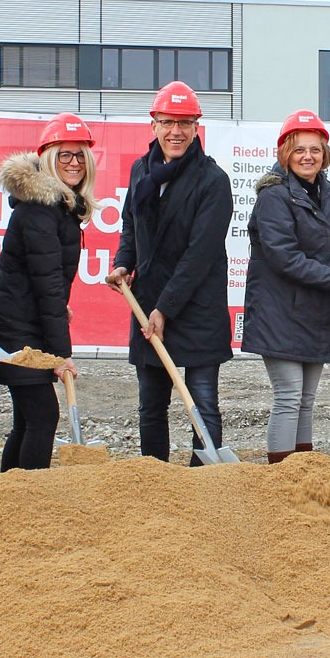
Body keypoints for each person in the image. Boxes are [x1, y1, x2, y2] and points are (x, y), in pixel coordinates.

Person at [106, 80, 233, 465]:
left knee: (203, 403)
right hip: (148, 304)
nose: (175, 132)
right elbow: (131, 224)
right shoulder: (141, 171)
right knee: (151, 406)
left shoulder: (213, 180)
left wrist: (166, 308)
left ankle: (204, 483)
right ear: (154, 125)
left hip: (196, 306)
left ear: (197, 127)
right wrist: (123, 262)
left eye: (185, 123)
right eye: (168, 122)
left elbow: (200, 255)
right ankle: (154, 479)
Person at [241, 111, 330, 463]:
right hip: (278, 311)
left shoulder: (324, 192)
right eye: (299, 150)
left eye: (314, 149)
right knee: (289, 396)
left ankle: (303, 469)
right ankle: (281, 474)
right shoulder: (274, 197)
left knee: (307, 398)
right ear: (285, 154)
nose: (307, 156)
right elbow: (285, 258)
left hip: (311, 308)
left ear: (324, 153)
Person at [0, 114, 96, 471]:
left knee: (27, 419)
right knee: (43, 416)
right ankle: (29, 499)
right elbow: (46, 286)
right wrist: (62, 355)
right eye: (65, 155)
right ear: (48, 158)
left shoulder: (60, 207)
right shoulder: (40, 210)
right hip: (15, 329)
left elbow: (48, 284)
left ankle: (9, 494)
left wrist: (60, 306)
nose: (73, 163)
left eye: (80, 156)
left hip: (23, 322)